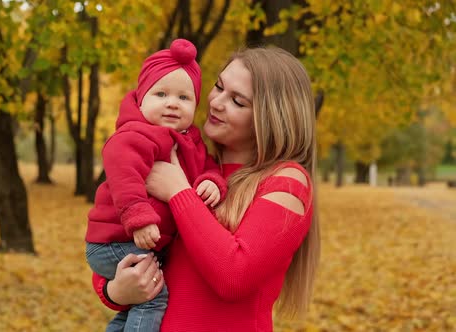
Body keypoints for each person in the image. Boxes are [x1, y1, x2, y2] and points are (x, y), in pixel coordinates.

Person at [92, 46, 320, 332]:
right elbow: (124, 242)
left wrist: (178, 192)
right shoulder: (194, 163)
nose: (216, 102)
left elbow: (234, 277)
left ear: (271, 118)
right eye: (219, 87)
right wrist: (114, 291)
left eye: (237, 101)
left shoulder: (286, 182)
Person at [85, 39, 227, 332]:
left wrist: (213, 181)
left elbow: (208, 166)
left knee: (134, 310)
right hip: (114, 239)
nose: (173, 103)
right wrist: (138, 218)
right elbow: (124, 174)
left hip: (139, 243)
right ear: (141, 99)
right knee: (152, 299)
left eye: (184, 98)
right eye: (161, 94)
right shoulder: (136, 134)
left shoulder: (192, 142)